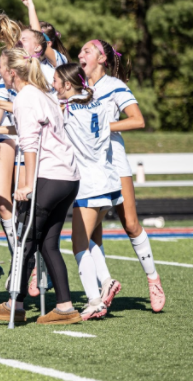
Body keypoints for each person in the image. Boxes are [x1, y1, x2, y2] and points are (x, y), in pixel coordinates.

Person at [0, 48, 82, 325]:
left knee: (25, 243)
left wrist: (28, 184)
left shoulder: (25, 98)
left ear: (11, 72)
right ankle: (64, 307)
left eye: (1, 68)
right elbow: (28, 130)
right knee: (48, 244)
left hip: (48, 177)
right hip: (67, 178)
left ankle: (16, 303)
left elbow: (29, 144)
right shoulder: (40, 95)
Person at [79, 39, 166, 312]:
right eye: (80, 50)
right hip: (89, 166)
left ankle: (153, 278)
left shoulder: (114, 86)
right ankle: (104, 288)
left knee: (130, 223)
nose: (80, 54)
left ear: (102, 58)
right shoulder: (78, 89)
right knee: (91, 231)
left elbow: (137, 119)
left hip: (114, 163)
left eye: (87, 50)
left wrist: (103, 127)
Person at [54, 63, 122, 320]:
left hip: (88, 183)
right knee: (90, 239)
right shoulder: (98, 103)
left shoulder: (67, 109)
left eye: (56, 81)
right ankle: (106, 281)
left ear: (68, 85)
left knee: (78, 244)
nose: (53, 85)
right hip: (108, 178)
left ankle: (95, 301)